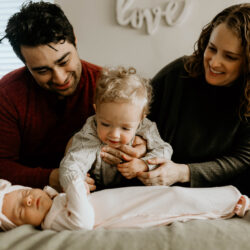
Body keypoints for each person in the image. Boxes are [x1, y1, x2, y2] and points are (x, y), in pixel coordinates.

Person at [103, 3, 250, 193]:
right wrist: (140, 143)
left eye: (230, 57)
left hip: (207, 193)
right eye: (212, 48)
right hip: (145, 185)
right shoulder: (178, 74)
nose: (214, 62)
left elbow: (243, 159)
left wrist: (182, 172)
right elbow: (136, 117)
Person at [0, 1, 145, 191]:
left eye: (64, 61)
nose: (60, 78)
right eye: (42, 70)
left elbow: (145, 132)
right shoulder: (8, 94)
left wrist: (142, 146)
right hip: (34, 196)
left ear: (74, 40)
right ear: (26, 65)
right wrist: (53, 178)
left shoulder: (109, 87)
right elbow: (2, 165)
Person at [59, 66, 173, 190]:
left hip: (137, 190)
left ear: (141, 119)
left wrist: (144, 164)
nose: (114, 134)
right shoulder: (91, 131)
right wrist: (76, 182)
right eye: (106, 124)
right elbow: (73, 161)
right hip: (100, 191)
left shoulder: (146, 128)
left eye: (125, 128)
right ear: (96, 111)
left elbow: (164, 149)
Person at [0, 178, 249, 231]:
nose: (30, 200)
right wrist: (74, 182)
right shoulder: (52, 221)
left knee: (172, 195)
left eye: (23, 195)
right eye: (21, 210)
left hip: (127, 199)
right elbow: (82, 221)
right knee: (175, 202)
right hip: (126, 211)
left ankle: (227, 203)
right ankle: (231, 202)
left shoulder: (51, 201)